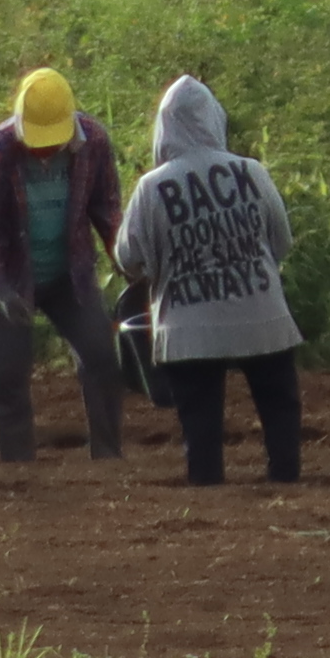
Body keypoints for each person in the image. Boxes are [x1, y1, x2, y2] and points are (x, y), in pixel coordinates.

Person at [112, 75, 303, 487]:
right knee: (279, 406)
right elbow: (281, 242)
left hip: (187, 330)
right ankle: (286, 481)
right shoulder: (252, 172)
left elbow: (128, 258)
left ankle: (208, 495)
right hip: (262, 317)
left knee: (199, 423)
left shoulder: (151, 188)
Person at [0, 66, 131, 464]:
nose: (42, 150)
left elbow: (107, 212)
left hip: (67, 273)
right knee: (6, 378)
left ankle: (108, 458)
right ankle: (19, 469)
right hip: (4, 275)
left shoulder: (94, 144)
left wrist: (128, 262)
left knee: (101, 357)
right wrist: (2, 292)